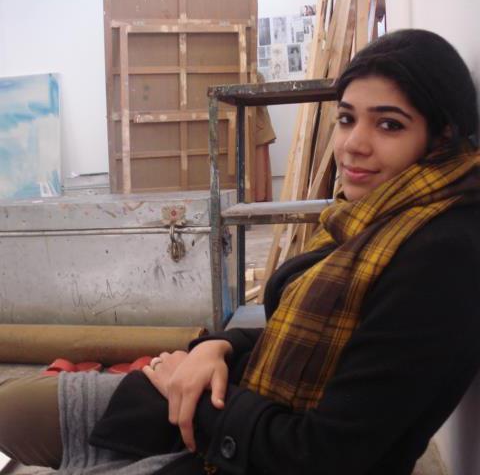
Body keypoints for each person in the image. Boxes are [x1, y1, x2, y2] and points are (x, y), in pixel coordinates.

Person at [1, 28, 480, 475]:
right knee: (12, 408)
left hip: (246, 446)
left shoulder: (442, 257)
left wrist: (194, 394)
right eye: (347, 118)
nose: (353, 145)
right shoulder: (372, 213)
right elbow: (293, 335)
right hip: (234, 402)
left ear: (442, 136)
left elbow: (327, 455)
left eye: (389, 125)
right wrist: (217, 346)